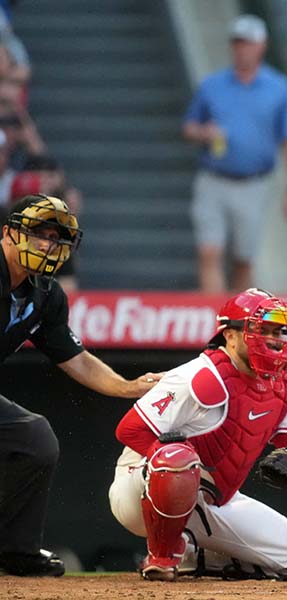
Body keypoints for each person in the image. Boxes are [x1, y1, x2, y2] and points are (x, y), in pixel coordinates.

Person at [108, 288, 287, 581]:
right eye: (262, 330)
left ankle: (201, 555)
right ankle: (163, 554)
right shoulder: (200, 375)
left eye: (278, 332)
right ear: (230, 335)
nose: (273, 339)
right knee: (177, 457)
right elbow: (130, 429)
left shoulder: (283, 388)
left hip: (215, 500)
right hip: (141, 490)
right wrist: (180, 471)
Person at [0, 195, 162, 577]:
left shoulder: (45, 296)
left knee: (35, 439)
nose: (48, 244)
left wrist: (128, 386)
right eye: (39, 234)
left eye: (56, 238)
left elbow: (75, 358)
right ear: (7, 233)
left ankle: (15, 550)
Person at [182, 14, 287, 293]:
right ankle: (214, 312)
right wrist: (203, 132)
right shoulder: (212, 85)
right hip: (213, 178)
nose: (242, 49)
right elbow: (189, 126)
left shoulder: (279, 88)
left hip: (253, 184)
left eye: (247, 43)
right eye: (237, 43)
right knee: (209, 252)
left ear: (261, 46)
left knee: (244, 260)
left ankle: (237, 314)